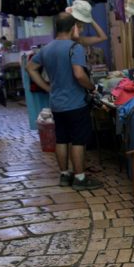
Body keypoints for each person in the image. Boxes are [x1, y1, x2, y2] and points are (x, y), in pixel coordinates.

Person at [26, 13, 103, 191]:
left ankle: (64, 175)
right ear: (72, 28)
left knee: (61, 139)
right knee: (78, 140)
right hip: (75, 103)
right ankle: (80, 178)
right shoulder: (74, 48)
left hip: (57, 104)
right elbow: (79, 74)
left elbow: (30, 67)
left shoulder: (47, 49)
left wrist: (46, 87)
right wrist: (91, 87)